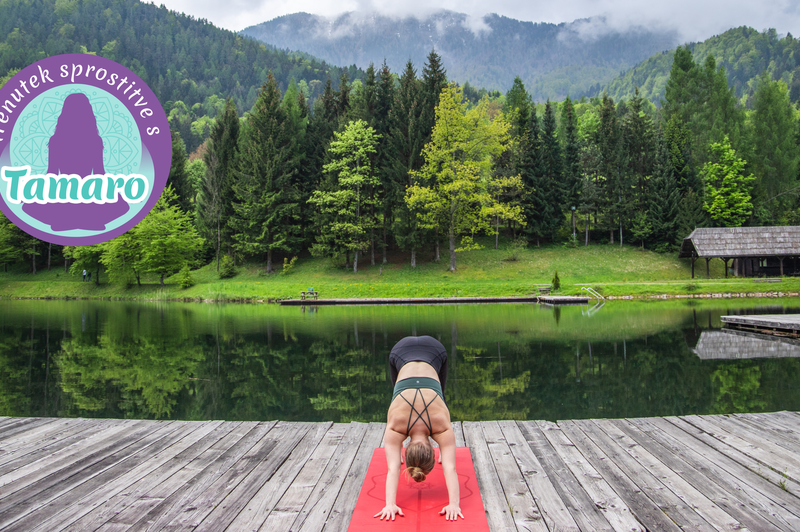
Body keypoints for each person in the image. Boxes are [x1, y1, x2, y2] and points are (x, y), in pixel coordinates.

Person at [374, 336, 463, 522]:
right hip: (401, 350)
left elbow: (450, 467)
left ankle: (395, 449)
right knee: (405, 398)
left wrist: (455, 504)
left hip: (429, 350)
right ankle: (395, 449)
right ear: (406, 452)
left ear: (432, 449)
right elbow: (449, 468)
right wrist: (452, 504)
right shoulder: (396, 428)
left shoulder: (442, 428)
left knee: (439, 398)